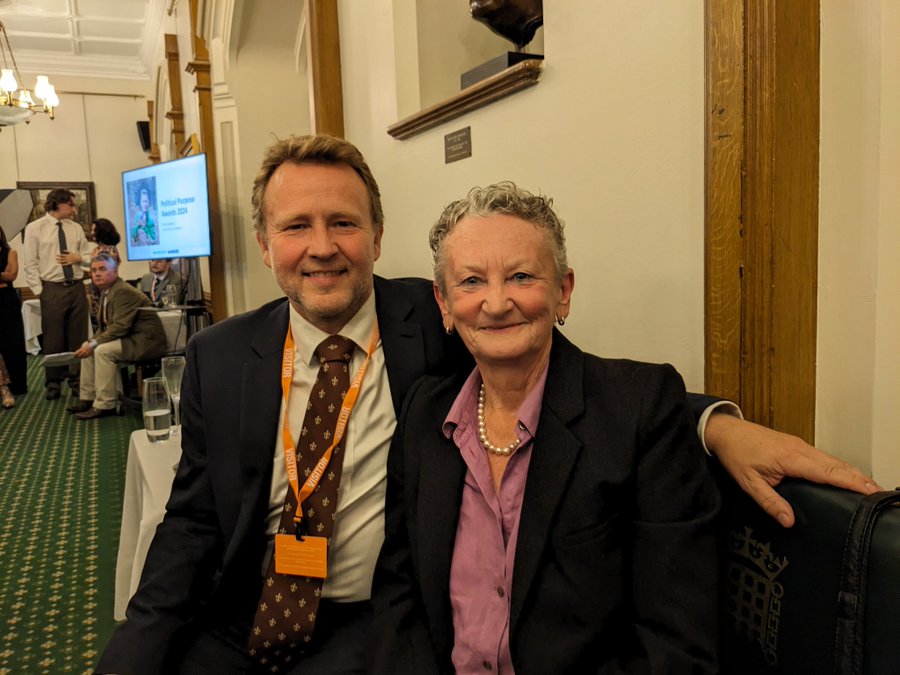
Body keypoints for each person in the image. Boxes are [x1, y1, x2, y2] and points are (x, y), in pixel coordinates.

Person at [96, 134, 876, 674]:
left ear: (376, 234)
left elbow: (567, 375)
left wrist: (716, 424)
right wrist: (136, 645)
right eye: (295, 226)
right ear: (265, 245)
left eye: (344, 222)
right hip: (247, 610)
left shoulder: (432, 323)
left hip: (362, 621)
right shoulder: (219, 355)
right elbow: (195, 518)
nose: (323, 246)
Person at [371, 182, 719, 673]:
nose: (495, 302)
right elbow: (399, 591)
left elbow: (675, 643)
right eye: (471, 282)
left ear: (564, 291)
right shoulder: (425, 412)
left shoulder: (640, 411)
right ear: (444, 304)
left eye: (521, 276)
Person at [67, 253, 167, 420]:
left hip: (144, 342)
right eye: (93, 270)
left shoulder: (123, 291)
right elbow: (105, 327)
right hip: (129, 337)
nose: (97, 273)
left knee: (101, 350)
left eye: (102, 269)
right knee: (89, 346)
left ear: (115, 271)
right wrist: (91, 343)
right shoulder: (108, 291)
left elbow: (120, 327)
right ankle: (88, 398)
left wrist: (94, 344)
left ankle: (106, 405)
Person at [22, 188, 93, 400]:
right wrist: (40, 291)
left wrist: (77, 258)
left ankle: (77, 381)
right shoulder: (35, 228)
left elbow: (89, 256)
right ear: (58, 204)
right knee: (53, 338)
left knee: (78, 336)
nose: (74, 209)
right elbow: (30, 264)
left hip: (76, 286)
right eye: (71, 204)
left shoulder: (76, 228)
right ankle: (53, 383)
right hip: (51, 287)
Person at [0, 226, 27, 399]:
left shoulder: (10, 252)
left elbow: (11, 275)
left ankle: (16, 384)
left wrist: (3, 275)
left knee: (11, 341)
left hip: (6, 300)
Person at [88, 217, 122, 330]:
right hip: (97, 288)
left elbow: (105, 269)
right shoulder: (99, 249)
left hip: (105, 288)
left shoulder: (108, 250)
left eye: (94, 230)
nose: (92, 233)